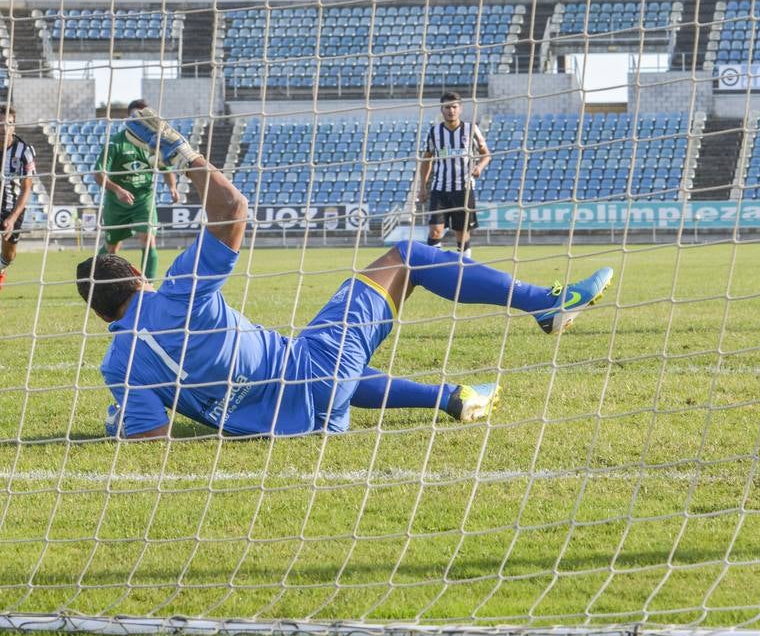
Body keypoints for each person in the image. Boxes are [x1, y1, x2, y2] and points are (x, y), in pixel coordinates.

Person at [77, 108, 613, 440]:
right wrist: (179, 150)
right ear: (135, 276)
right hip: (310, 372)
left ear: (100, 313)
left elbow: (153, 435)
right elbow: (233, 209)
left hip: (300, 422)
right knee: (407, 256)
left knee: (330, 363)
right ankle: (545, 302)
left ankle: (450, 398)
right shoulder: (176, 293)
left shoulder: (118, 365)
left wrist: (118, 419)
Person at [93, 99, 181, 279]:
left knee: (148, 240)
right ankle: (97, 277)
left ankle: (148, 285)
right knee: (112, 247)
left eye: (144, 116)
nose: (140, 119)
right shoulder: (116, 143)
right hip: (117, 203)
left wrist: (172, 187)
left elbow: (166, 168)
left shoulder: (155, 144)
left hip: (143, 200)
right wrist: (117, 189)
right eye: (135, 116)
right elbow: (98, 174)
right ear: (128, 118)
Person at [417, 91, 490, 259]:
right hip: (439, 189)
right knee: (435, 231)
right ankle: (433, 268)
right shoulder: (434, 132)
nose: (451, 111)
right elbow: (427, 160)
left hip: (463, 189)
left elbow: (486, 154)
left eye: (454, 107)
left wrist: (479, 166)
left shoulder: (471, 129)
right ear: (442, 110)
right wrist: (422, 187)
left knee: (461, 233)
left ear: (460, 109)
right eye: (447, 107)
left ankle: (463, 270)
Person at [1, 104, 36, 293]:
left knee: (9, 255)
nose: (3, 128)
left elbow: (26, 189)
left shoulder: (24, 151)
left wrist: (12, 218)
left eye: (8, 123)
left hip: (11, 208)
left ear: (14, 125)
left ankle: (2, 268)